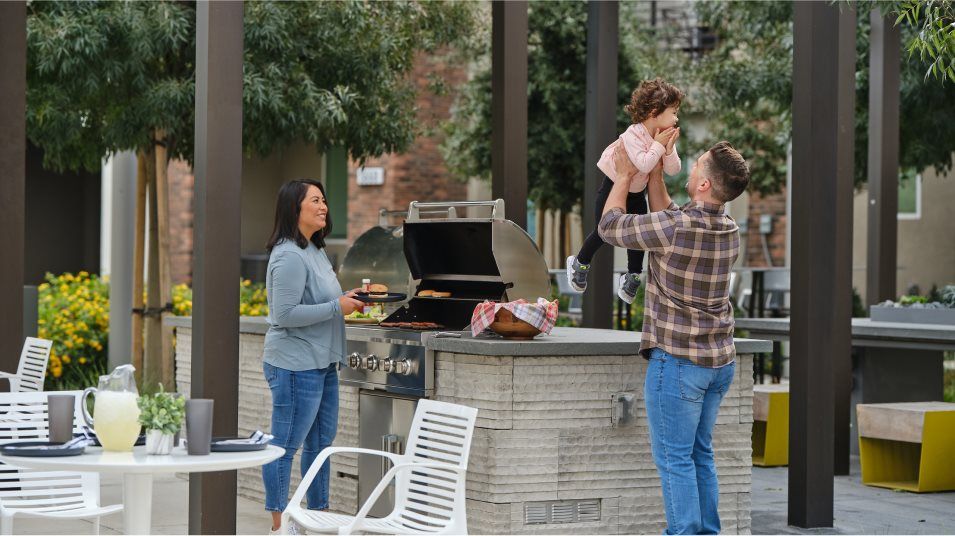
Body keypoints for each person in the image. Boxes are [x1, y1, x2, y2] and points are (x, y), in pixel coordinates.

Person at [599, 141, 750, 535]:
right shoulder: (729, 228)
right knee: (700, 455)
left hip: (679, 363)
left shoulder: (675, 228)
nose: (690, 167)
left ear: (703, 185)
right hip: (719, 363)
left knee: (675, 459)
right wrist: (655, 172)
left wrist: (624, 176)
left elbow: (610, 226)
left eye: (697, 165)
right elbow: (667, 212)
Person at [260, 179, 363, 535]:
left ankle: (317, 517)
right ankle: (280, 525)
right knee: (283, 446)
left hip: (322, 362)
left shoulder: (314, 250)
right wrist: (338, 306)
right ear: (295, 208)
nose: (324, 207)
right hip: (293, 364)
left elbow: (320, 301)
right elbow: (284, 314)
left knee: (320, 446)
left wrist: (348, 298)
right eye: (315, 200)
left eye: (324, 200)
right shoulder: (288, 254)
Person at [567, 77, 684, 304]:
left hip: (637, 192)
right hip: (613, 187)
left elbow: (673, 170)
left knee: (638, 235)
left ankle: (632, 276)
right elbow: (643, 164)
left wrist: (668, 150)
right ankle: (580, 262)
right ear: (654, 112)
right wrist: (659, 146)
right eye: (673, 112)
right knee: (603, 230)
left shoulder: (661, 137)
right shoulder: (633, 134)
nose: (676, 118)